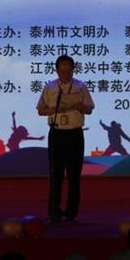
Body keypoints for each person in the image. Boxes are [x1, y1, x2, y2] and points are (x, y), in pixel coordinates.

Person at [36, 55, 95, 222]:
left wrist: (80, 106)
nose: (65, 72)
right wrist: (55, 109)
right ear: (57, 70)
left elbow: (90, 108)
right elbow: (40, 110)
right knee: (56, 174)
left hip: (75, 134)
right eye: (62, 69)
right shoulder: (49, 87)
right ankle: (54, 211)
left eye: (68, 69)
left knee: (74, 175)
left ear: (73, 69)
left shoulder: (81, 86)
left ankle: (71, 212)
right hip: (56, 133)